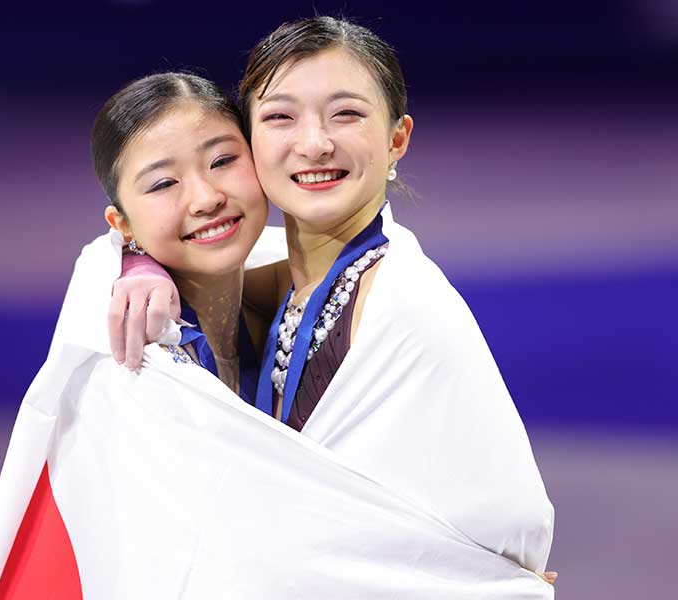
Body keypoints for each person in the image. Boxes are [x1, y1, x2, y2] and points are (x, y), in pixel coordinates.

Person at [0, 68, 555, 598]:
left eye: (223, 160)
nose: (206, 197)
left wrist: (473, 576)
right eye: (163, 184)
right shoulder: (132, 361)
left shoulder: (313, 291)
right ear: (122, 225)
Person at [113, 15, 555, 583]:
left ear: (397, 138)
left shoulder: (405, 307)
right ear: (249, 141)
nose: (315, 144)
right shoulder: (280, 290)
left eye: (346, 114)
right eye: (279, 118)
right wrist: (136, 260)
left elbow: (510, 527)